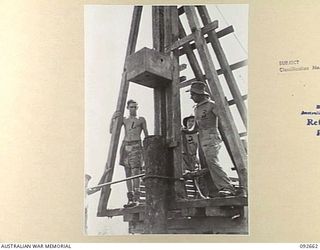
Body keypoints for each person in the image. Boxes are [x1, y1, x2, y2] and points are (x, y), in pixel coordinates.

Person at [184, 81, 236, 197]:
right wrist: (185, 131)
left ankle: (227, 187)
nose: (191, 97)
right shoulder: (196, 109)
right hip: (202, 138)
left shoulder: (211, 105)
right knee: (208, 164)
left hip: (212, 137)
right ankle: (215, 190)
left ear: (199, 94)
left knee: (212, 161)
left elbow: (224, 118)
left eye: (193, 94)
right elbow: (195, 128)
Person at [110, 99, 148, 207]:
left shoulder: (141, 119)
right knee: (127, 173)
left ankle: (136, 198)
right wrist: (113, 118)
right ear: (127, 108)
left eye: (135, 107)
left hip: (136, 145)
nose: (133, 109)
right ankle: (130, 199)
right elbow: (111, 131)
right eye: (131, 107)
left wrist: (146, 151)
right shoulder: (124, 120)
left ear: (137, 108)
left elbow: (146, 135)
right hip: (126, 146)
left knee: (135, 172)